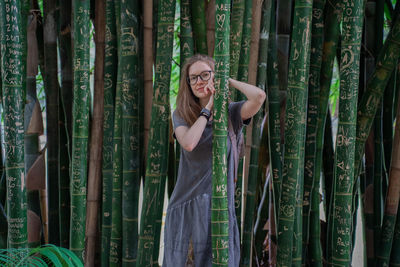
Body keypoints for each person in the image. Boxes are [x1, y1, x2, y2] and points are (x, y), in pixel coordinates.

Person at [162, 54, 266, 266]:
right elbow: (189, 143)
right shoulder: (181, 114)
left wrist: (226, 80)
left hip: (219, 208)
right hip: (188, 210)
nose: (199, 81)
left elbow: (259, 97)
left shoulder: (231, 113)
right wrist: (207, 108)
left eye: (205, 75)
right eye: (193, 78)